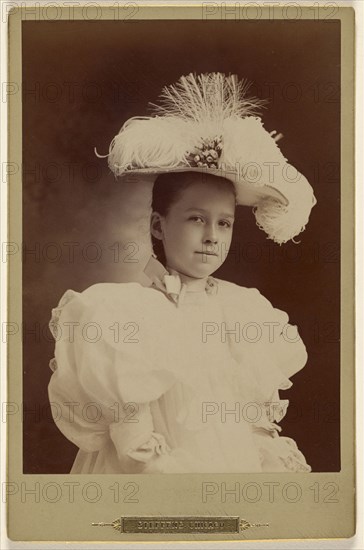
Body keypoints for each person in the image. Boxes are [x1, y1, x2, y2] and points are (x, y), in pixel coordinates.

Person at [48, 72, 316, 473]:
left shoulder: (244, 310)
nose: (211, 236)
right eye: (196, 219)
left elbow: (252, 425)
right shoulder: (121, 314)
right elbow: (137, 451)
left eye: (224, 223)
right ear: (158, 225)